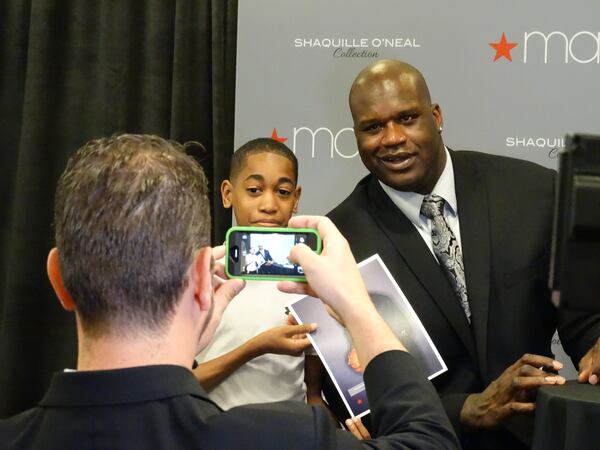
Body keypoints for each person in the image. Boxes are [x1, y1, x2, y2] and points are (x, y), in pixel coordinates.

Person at [0, 134, 461, 449]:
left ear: (59, 280)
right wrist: (357, 304)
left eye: (282, 191)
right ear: (206, 281)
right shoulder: (288, 437)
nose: (268, 202)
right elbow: (429, 440)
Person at [327, 60, 600, 450]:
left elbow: (584, 315)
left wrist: (596, 343)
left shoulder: (533, 192)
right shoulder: (339, 243)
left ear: (436, 116)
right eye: (373, 127)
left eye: (406, 118)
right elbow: (357, 395)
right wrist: (468, 409)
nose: (391, 138)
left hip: (541, 437)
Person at [194, 138, 324, 411]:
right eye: (254, 190)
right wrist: (256, 347)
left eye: (283, 192)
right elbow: (179, 387)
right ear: (228, 194)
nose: (269, 204)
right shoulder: (202, 273)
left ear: (296, 198)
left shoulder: (309, 281)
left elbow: (313, 394)